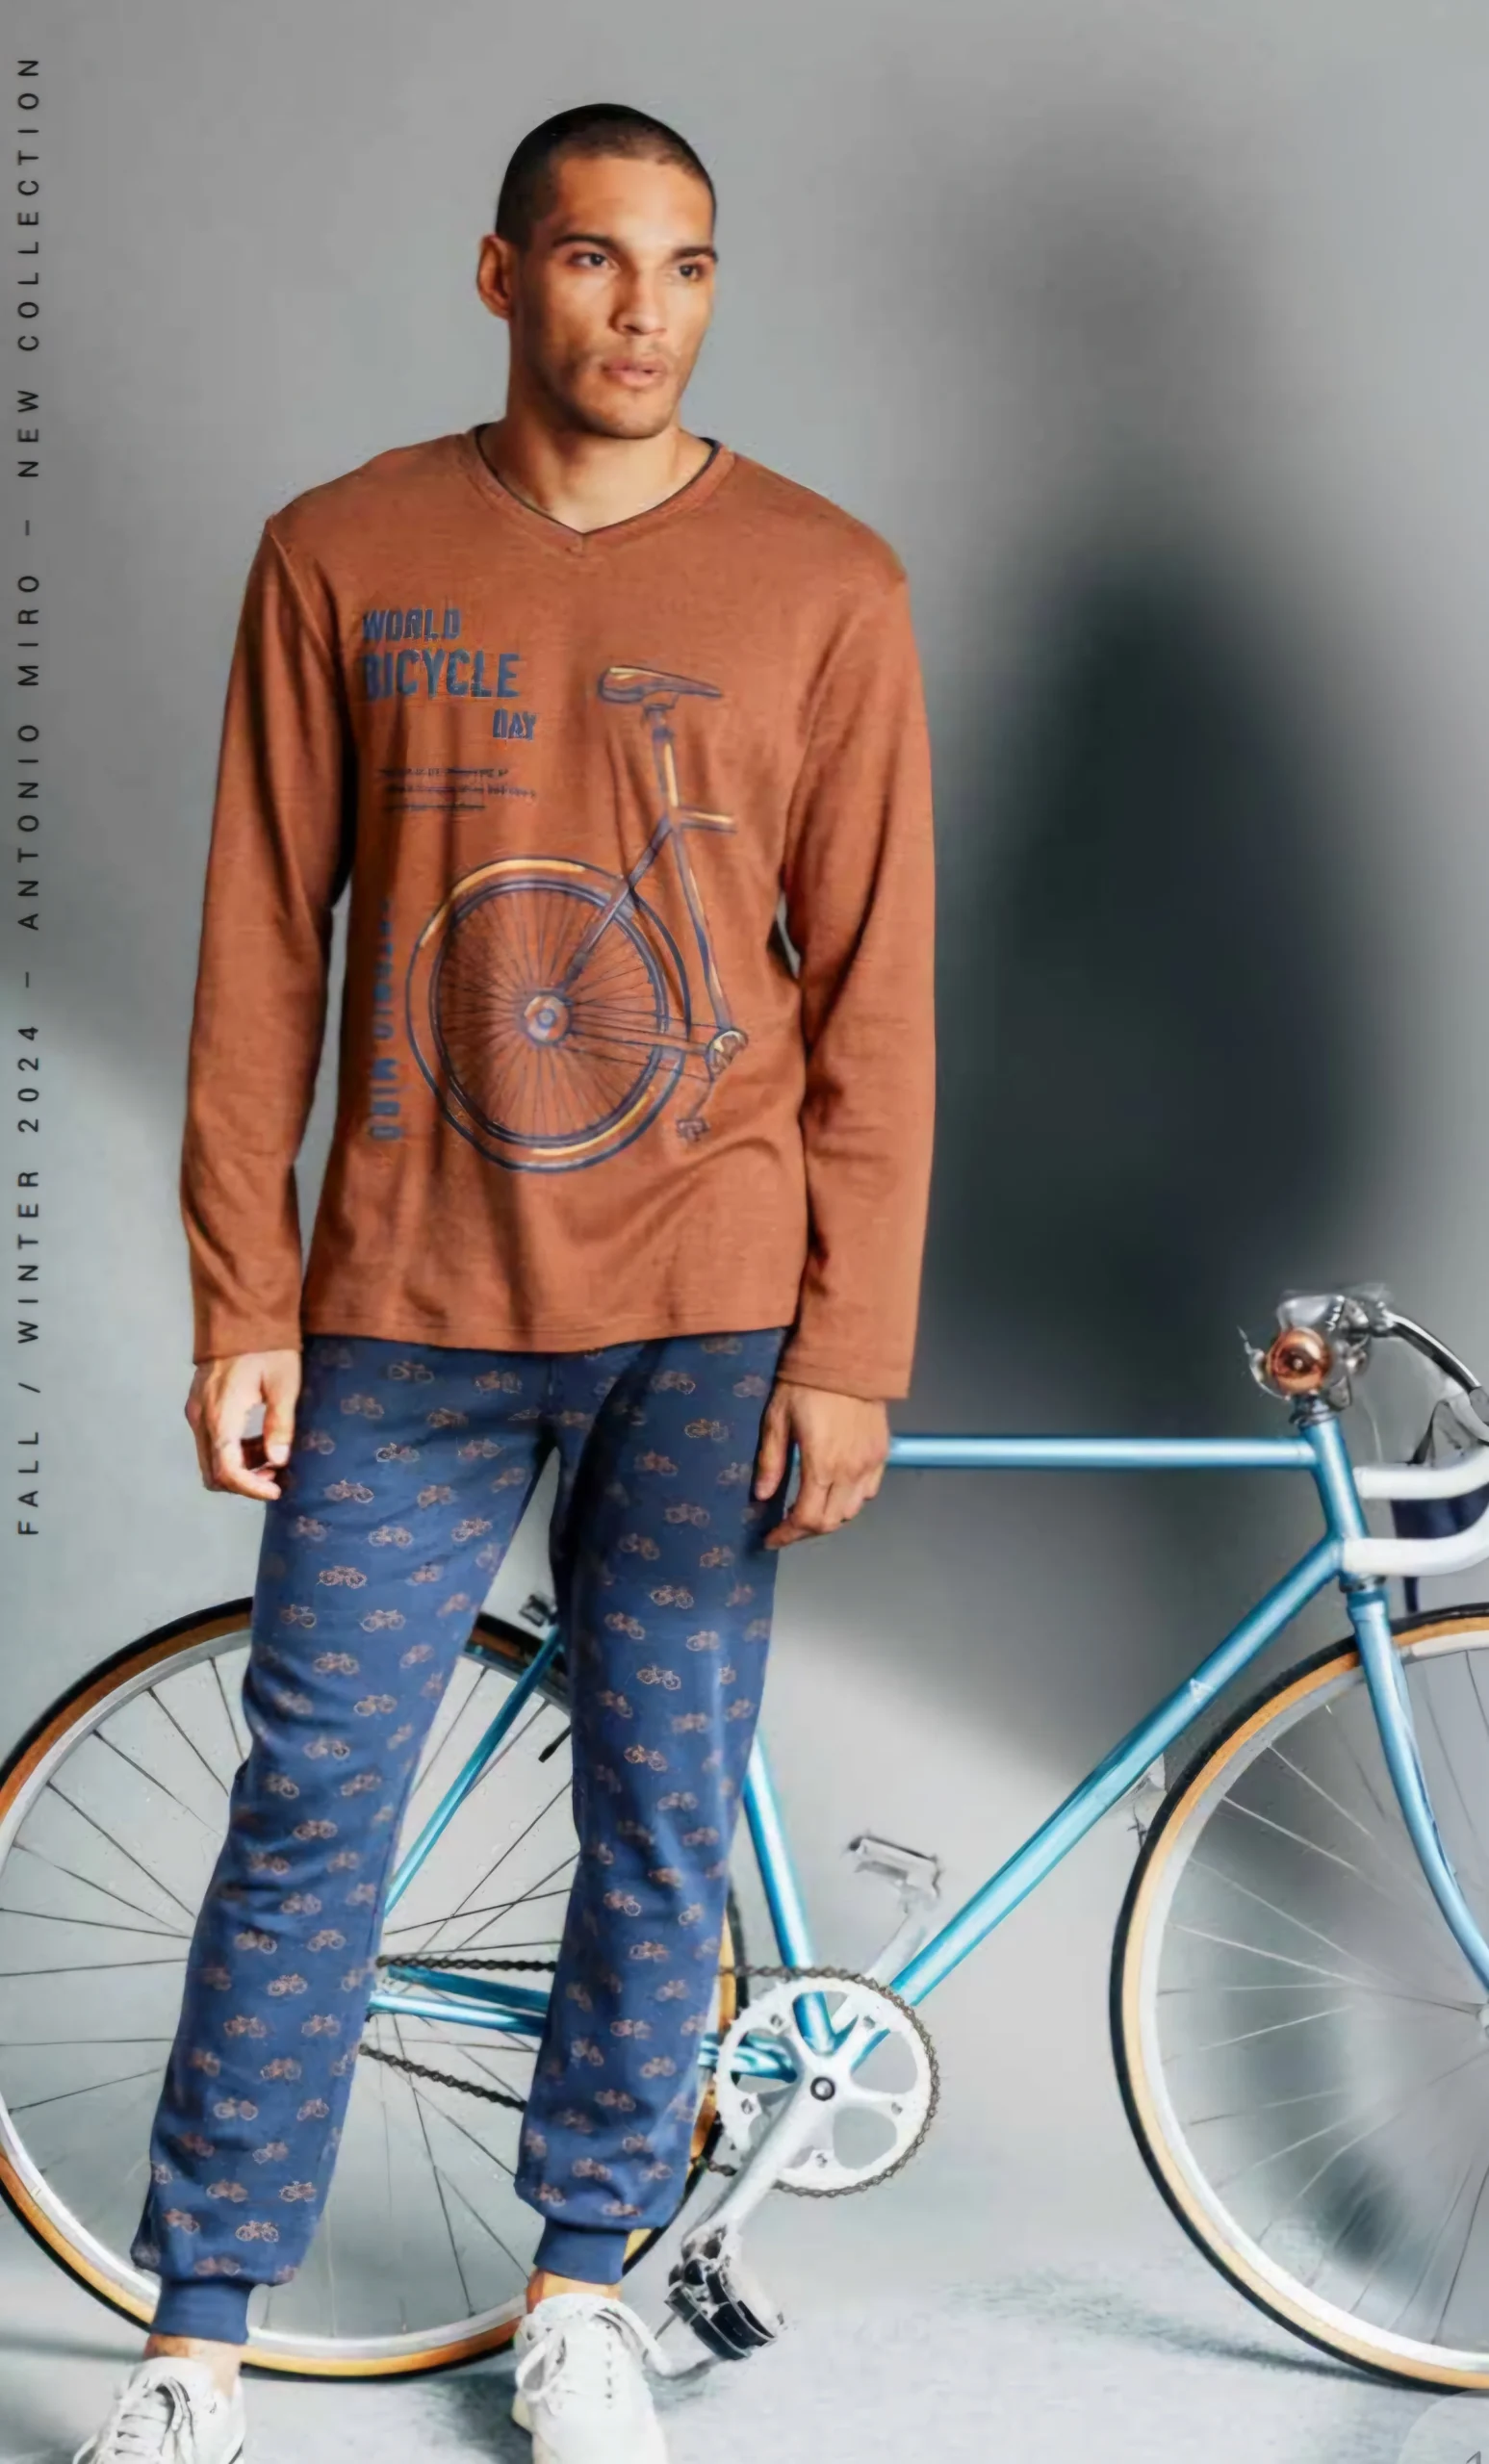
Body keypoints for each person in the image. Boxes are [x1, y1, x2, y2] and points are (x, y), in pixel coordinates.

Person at [76, 99, 935, 2464]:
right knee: (310, 1806)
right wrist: (240, 1294)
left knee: (659, 1815)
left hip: (711, 1306)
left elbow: (873, 994)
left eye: (685, 264)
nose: (643, 311)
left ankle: (579, 2294)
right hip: (403, 1300)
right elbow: (260, 947)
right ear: (499, 275)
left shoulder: (827, 583)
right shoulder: (338, 551)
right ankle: (195, 2333)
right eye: (591, 258)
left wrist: (850, 1343)